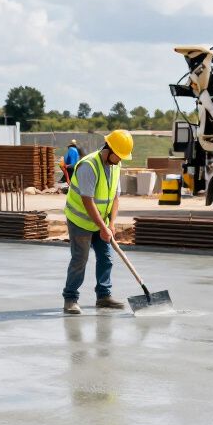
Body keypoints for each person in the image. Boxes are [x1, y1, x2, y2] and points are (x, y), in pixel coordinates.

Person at [62, 129, 133, 314]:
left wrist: (110, 224)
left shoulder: (116, 165)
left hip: (101, 221)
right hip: (80, 220)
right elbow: (88, 200)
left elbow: (116, 197)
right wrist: (102, 227)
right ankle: (70, 298)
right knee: (80, 259)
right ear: (108, 150)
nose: (121, 159)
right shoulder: (89, 166)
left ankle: (103, 296)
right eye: (119, 155)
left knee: (106, 257)